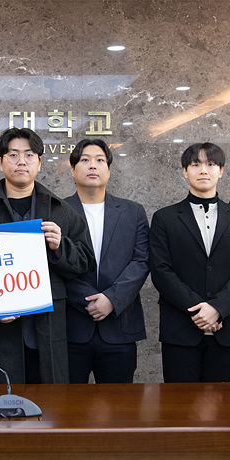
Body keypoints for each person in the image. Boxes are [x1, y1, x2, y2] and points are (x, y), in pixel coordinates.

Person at [0, 127, 94, 384]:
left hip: (46, 330)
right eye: (13, 155)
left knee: (48, 401)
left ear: (39, 162)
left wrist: (60, 247)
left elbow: (84, 260)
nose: (21, 161)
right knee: (1, 400)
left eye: (29, 155)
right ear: (0, 162)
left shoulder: (60, 209)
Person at [149, 142, 230, 383]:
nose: (203, 170)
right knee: (180, 401)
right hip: (180, 329)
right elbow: (160, 270)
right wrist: (200, 310)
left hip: (227, 327)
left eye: (211, 164)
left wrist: (217, 308)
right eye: (196, 164)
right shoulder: (164, 218)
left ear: (221, 171)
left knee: (222, 401)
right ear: (185, 171)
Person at [63, 138, 149, 383]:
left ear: (108, 170)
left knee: (118, 404)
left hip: (119, 327)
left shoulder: (133, 212)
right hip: (71, 328)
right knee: (68, 402)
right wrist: (88, 299)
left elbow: (141, 261)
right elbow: (52, 264)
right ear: (73, 170)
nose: (93, 165)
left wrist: (112, 299)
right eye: (85, 160)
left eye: (100, 160)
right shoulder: (57, 211)